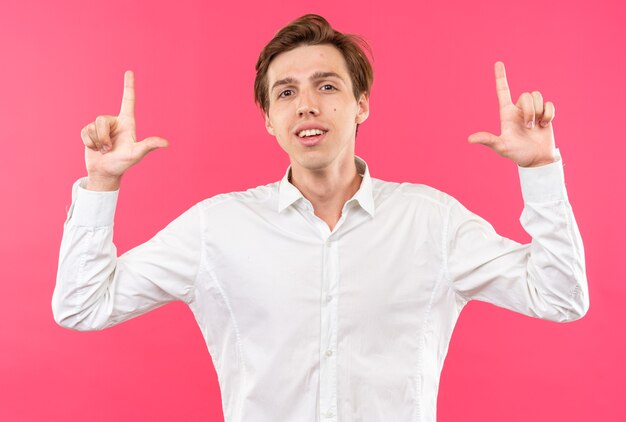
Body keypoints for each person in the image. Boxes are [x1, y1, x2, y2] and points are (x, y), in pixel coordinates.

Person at [52, 14, 589, 422]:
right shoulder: (217, 229)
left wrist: (541, 168)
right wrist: (102, 183)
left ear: (361, 105)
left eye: (327, 86)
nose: (306, 105)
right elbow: (82, 306)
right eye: (286, 93)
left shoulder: (432, 223)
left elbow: (561, 298)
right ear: (269, 119)